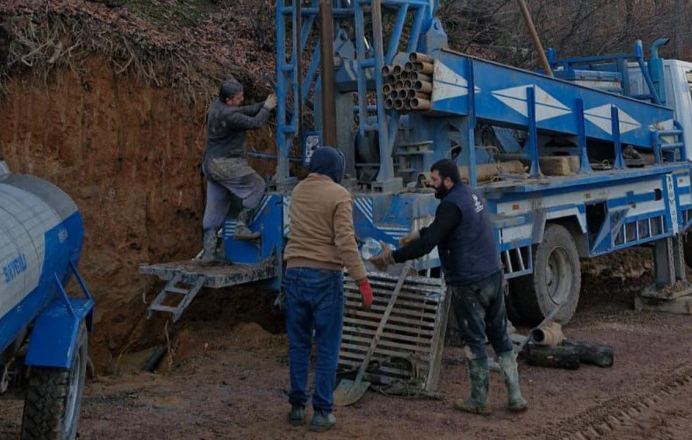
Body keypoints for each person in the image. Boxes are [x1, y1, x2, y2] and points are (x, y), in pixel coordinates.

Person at [370, 158, 527, 415]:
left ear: (447, 181)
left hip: (469, 283)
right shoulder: (470, 195)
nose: (430, 184)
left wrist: (392, 258)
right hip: (493, 275)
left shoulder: (450, 205)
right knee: (499, 335)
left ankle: (479, 399)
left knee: (475, 339)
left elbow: (430, 242)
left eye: (434, 180)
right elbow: (445, 228)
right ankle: (516, 396)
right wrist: (417, 234)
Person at [283, 147, 374, 432]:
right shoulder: (339, 195)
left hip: (294, 273)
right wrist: (362, 279)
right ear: (336, 170)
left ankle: (297, 408)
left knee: (298, 344)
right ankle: (322, 412)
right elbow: (344, 242)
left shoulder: (298, 191)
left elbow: (311, 228)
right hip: (324, 276)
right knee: (327, 346)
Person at [199, 79, 277, 263]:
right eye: (239, 97)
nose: (242, 99)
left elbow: (242, 110)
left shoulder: (217, 107)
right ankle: (242, 226)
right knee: (257, 185)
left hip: (211, 165)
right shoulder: (229, 116)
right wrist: (266, 109)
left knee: (215, 208)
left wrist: (264, 104)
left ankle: (209, 253)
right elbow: (255, 122)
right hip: (225, 163)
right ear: (228, 100)